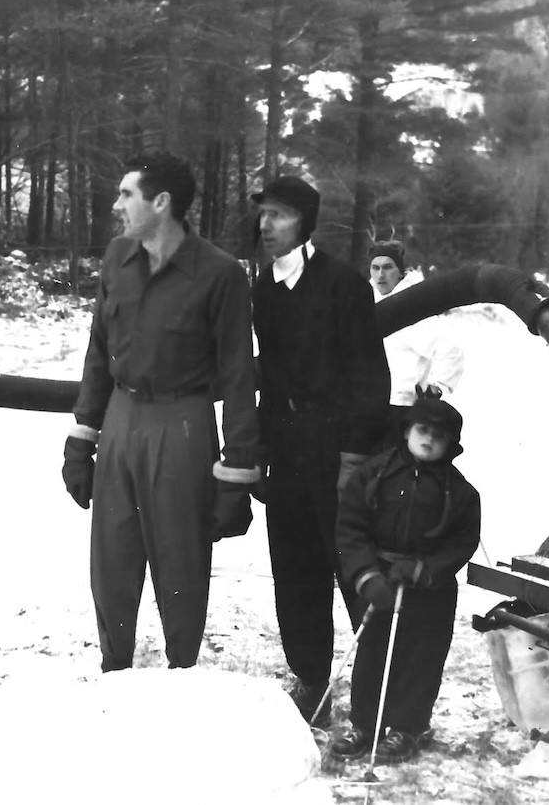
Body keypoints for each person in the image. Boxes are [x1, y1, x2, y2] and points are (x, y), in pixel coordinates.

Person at [63, 152, 261, 673]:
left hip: (184, 423)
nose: (117, 204)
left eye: (126, 194)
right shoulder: (117, 258)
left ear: (161, 202)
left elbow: (240, 377)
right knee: (111, 558)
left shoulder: (219, 275)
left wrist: (237, 473)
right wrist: (83, 438)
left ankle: (181, 676)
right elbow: (98, 351)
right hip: (122, 416)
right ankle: (114, 668)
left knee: (180, 560)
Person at [250, 175, 390, 725]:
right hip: (286, 455)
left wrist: (354, 458)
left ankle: (375, 695)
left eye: (279, 215)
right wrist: (261, 450)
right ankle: (311, 682)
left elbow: (370, 381)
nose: (266, 226)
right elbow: (269, 378)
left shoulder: (344, 286)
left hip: (338, 454)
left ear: (305, 221)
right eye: (263, 215)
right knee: (294, 571)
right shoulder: (263, 287)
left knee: (353, 568)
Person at [331, 397, 481, 763]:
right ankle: (365, 724)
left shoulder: (460, 492)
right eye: (423, 430)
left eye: (439, 436)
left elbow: (462, 541)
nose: (429, 440)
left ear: (451, 445)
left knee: (420, 657)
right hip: (380, 579)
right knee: (372, 652)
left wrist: (424, 570)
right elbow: (351, 527)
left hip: (429, 589)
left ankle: (407, 727)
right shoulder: (374, 474)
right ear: (407, 432)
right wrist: (366, 575)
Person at [369, 240, 464, 441]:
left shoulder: (410, 308)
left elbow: (450, 351)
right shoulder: (368, 301)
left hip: (401, 409)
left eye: (388, 267)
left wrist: (435, 388)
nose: (380, 274)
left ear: (400, 271)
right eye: (375, 268)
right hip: (372, 405)